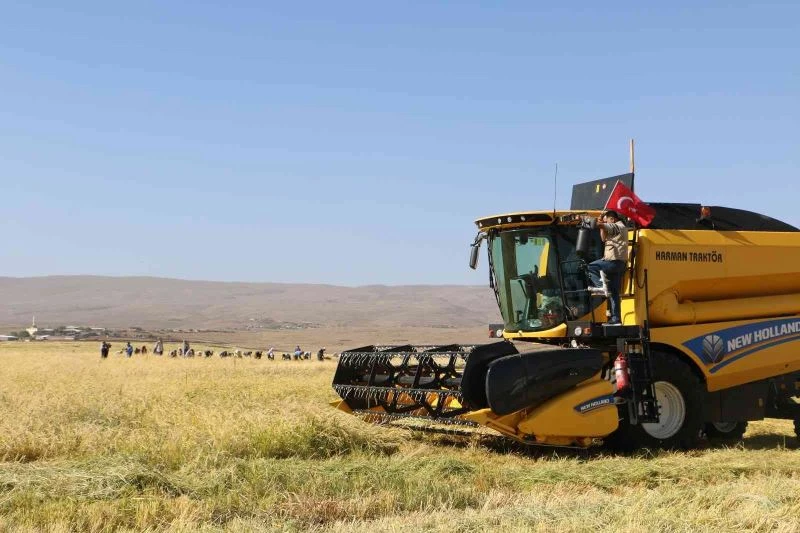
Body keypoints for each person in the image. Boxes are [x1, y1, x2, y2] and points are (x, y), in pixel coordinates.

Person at [584, 210, 629, 325]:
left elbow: (600, 225)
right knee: (614, 292)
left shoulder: (617, 226)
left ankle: (600, 286)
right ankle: (615, 319)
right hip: (617, 263)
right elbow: (603, 238)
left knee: (590, 267)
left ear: (612, 219)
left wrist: (591, 221)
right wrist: (602, 224)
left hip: (614, 262)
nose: (605, 223)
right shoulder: (615, 228)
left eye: (606, 220)